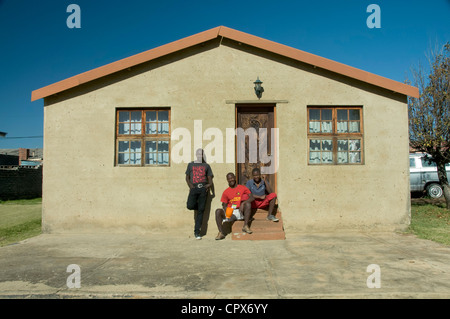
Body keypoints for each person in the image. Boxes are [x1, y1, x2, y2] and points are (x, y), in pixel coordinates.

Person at [215, 172, 254, 240]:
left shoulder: (242, 188)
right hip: (231, 213)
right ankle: (221, 233)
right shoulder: (226, 192)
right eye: (229, 179)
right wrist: (227, 210)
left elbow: (252, 197)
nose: (231, 180)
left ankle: (245, 226)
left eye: (232, 178)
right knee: (218, 211)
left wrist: (243, 203)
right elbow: (224, 204)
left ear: (235, 178)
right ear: (227, 180)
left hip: (241, 211)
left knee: (248, 204)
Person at [186, 149, 214, 240]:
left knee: (201, 212)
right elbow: (187, 177)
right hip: (194, 189)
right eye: (198, 153)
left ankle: (197, 232)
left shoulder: (206, 166)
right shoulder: (190, 164)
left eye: (201, 154)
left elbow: (210, 181)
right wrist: (190, 186)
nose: (199, 155)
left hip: (203, 189)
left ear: (203, 155)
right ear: (196, 154)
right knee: (189, 206)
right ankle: (199, 207)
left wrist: (208, 187)